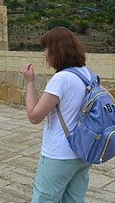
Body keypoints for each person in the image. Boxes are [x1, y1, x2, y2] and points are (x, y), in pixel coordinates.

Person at [23, 26, 92, 203]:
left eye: (46, 49)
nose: (45, 55)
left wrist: (30, 82)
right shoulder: (87, 74)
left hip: (59, 155)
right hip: (83, 153)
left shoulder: (60, 79)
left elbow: (34, 116)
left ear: (55, 51)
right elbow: (110, 102)